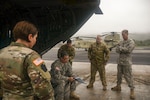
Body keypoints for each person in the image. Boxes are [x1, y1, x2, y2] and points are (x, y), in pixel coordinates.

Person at [0, 21, 54, 100]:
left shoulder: (2, 52)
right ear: (30, 37)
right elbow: (42, 86)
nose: (35, 41)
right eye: (35, 37)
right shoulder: (31, 56)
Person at [111, 29, 135, 99]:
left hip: (127, 63)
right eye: (122, 35)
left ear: (127, 34)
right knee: (119, 76)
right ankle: (118, 86)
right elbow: (116, 50)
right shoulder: (121, 42)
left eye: (123, 34)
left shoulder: (131, 42)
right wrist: (122, 49)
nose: (123, 36)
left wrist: (120, 48)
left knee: (128, 76)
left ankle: (132, 90)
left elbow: (129, 50)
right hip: (120, 62)